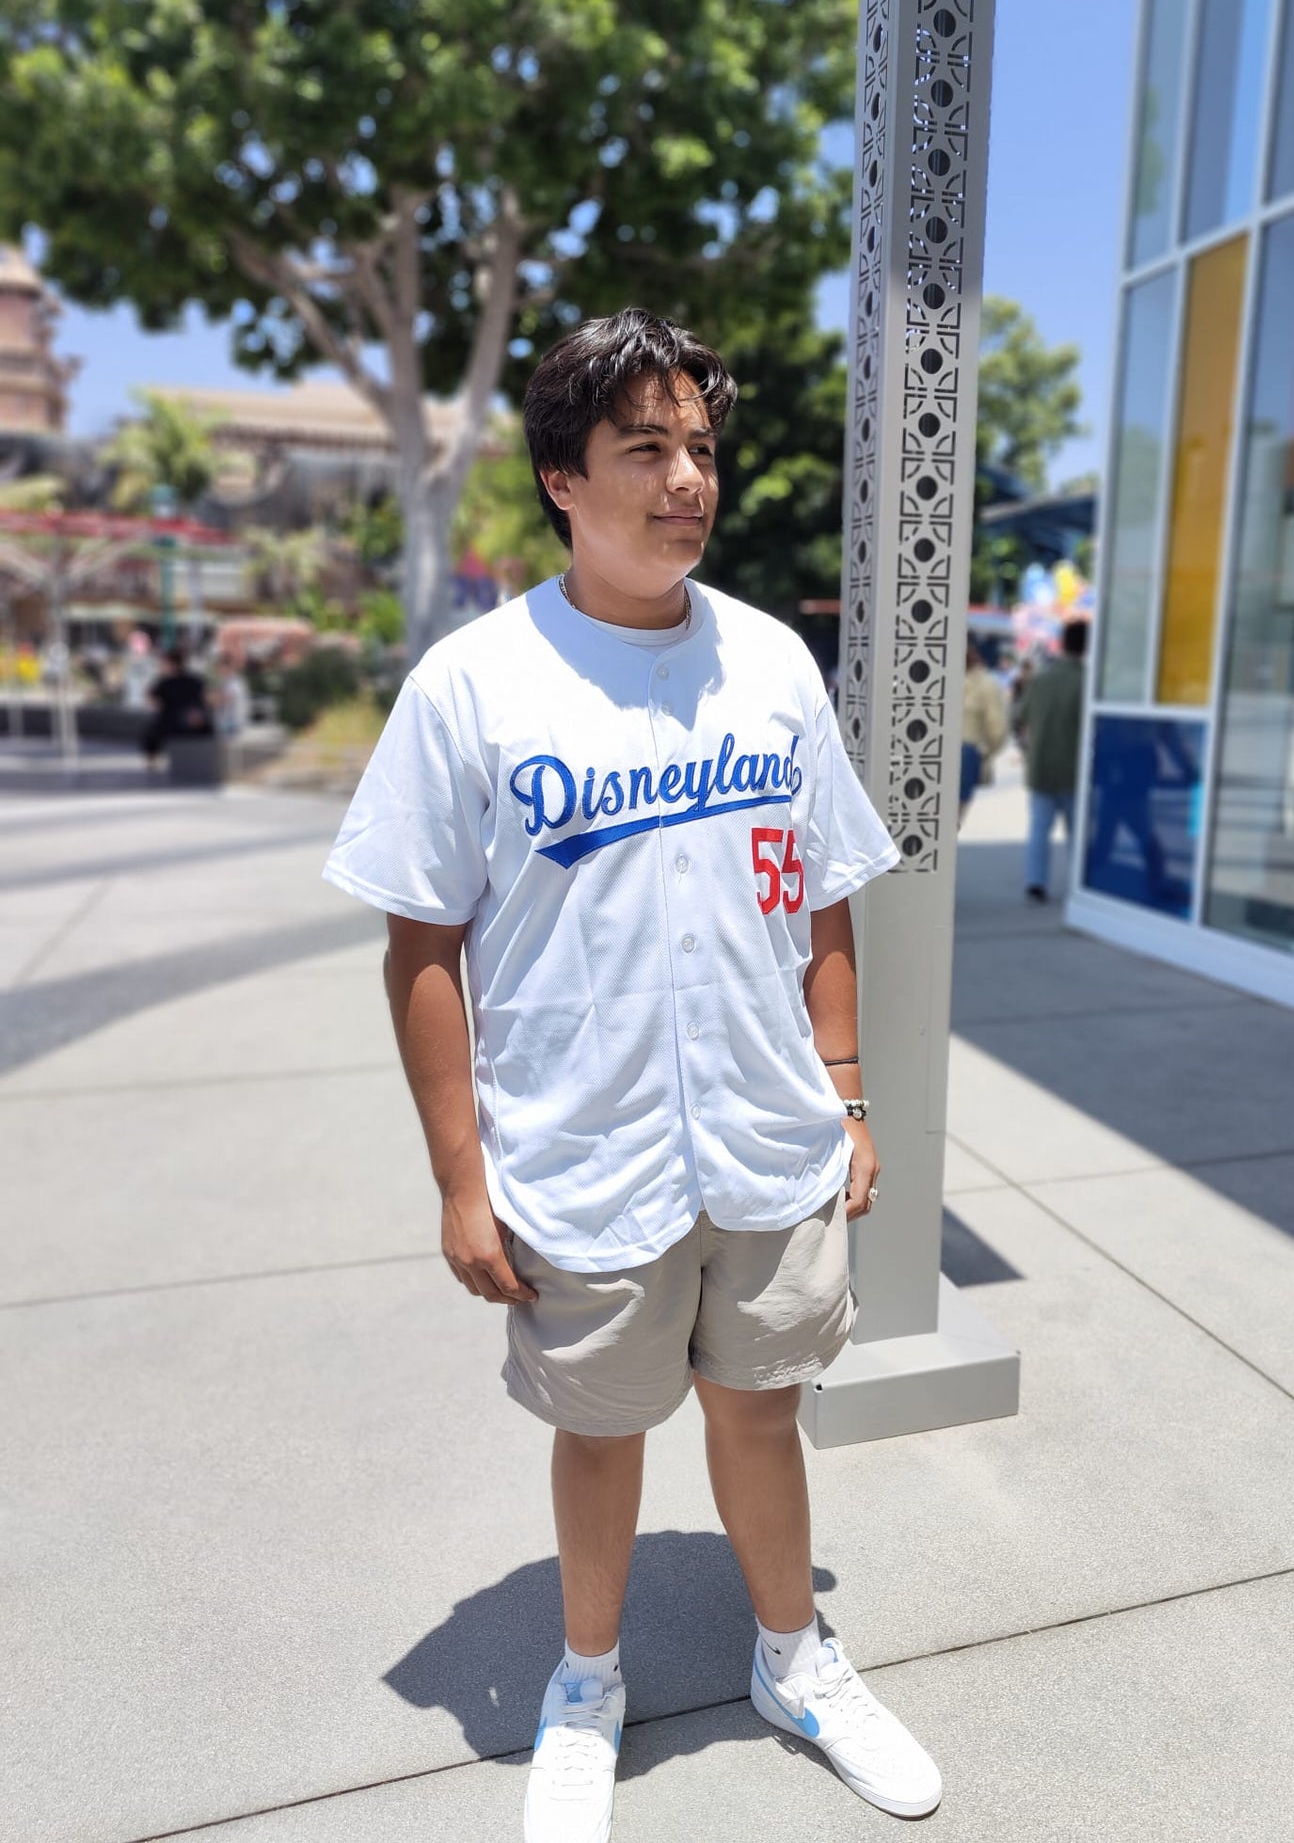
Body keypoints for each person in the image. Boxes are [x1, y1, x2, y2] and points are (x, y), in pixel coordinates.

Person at [322, 309, 943, 1842]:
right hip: (580, 1154)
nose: (686, 479)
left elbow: (822, 894)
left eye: (701, 449)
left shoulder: (771, 663)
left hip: (767, 1138)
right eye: (645, 448)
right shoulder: (474, 683)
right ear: (560, 476)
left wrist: (850, 1096)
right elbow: (423, 949)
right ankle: (586, 1678)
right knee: (599, 1428)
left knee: (761, 1408)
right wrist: (463, 1179)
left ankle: (794, 1655)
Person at [1018, 619, 1087, 902]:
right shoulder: (1087, 682)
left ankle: (1036, 883)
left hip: (1041, 767)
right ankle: (1079, 887)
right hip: (1074, 770)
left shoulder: (1042, 679)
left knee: (1039, 829)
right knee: (1076, 833)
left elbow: (1019, 716)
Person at [959, 635, 1009, 827]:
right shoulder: (986, 683)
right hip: (967, 752)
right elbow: (997, 727)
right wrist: (987, 752)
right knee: (952, 821)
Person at [140, 645, 213, 771]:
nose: (161, 666)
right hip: (195, 724)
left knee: (150, 732)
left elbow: (153, 703)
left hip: (170, 724)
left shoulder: (163, 682)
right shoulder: (195, 679)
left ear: (172, 664)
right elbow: (207, 700)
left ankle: (152, 762)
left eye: (163, 663)